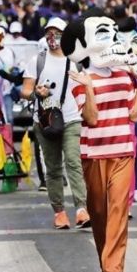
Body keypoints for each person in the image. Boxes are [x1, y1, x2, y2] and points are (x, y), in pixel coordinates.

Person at [62, 12, 137, 272]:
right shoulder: (80, 77)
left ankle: (113, 268)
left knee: (120, 207)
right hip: (94, 152)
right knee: (99, 211)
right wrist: (88, 87)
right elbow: (91, 118)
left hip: (123, 150)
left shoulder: (124, 75)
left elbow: (133, 114)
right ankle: (106, 262)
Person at [22, 17, 89, 229]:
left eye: (57, 33)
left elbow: (86, 86)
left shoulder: (76, 60)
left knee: (73, 162)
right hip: (45, 121)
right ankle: (59, 212)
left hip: (71, 119)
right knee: (53, 168)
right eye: (49, 33)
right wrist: (36, 93)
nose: (53, 38)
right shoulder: (37, 61)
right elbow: (25, 91)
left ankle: (81, 209)